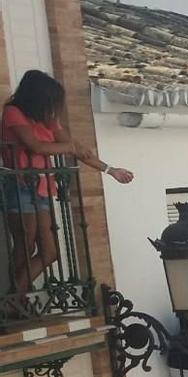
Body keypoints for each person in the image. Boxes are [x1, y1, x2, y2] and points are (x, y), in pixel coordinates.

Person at [2, 70, 133, 307]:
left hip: (41, 188)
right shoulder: (13, 113)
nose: (54, 106)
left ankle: (13, 297)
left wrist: (110, 169)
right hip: (20, 186)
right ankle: (15, 300)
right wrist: (68, 146)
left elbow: (75, 148)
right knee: (25, 243)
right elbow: (37, 147)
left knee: (49, 251)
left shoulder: (47, 120)